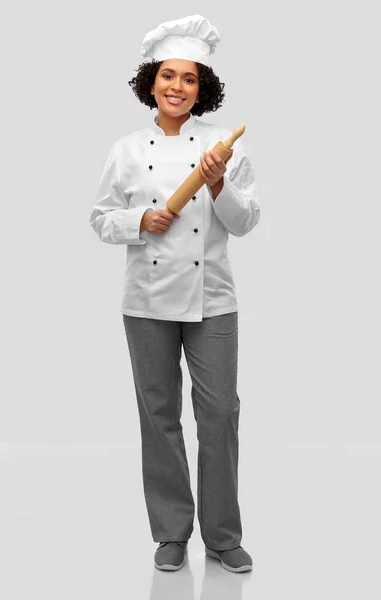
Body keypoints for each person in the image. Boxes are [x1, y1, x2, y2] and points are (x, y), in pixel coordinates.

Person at [89, 15, 260, 573]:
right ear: (151, 80)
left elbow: (245, 221)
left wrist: (217, 184)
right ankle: (170, 532)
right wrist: (141, 220)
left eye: (189, 78)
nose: (177, 87)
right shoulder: (127, 149)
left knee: (218, 415)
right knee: (157, 415)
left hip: (213, 299)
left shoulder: (221, 147)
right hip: (146, 301)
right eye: (168, 75)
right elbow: (100, 218)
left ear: (202, 87)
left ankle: (223, 534)